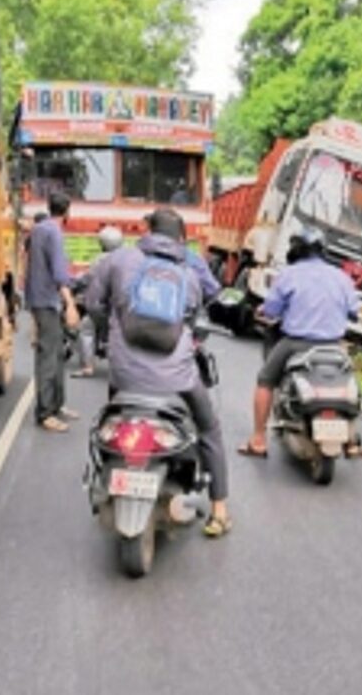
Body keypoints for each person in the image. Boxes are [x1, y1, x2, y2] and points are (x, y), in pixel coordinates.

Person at [87, 208, 233, 538]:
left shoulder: (118, 260)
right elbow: (196, 316)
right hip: (177, 379)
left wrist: (110, 333)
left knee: (111, 416)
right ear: (181, 238)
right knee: (208, 427)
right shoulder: (191, 273)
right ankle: (220, 510)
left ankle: (103, 479)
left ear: (147, 230)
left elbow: (94, 305)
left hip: (123, 374)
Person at [238, 227, 361, 459]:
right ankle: (353, 441)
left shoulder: (289, 274)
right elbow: (354, 312)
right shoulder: (341, 277)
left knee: (265, 380)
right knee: (348, 377)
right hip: (333, 345)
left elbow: (272, 309)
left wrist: (263, 310)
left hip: (296, 343)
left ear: (295, 250)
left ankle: (258, 439)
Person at [24, 191, 80, 431]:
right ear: (67, 211)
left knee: (57, 354)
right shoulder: (54, 233)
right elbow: (59, 273)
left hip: (39, 299)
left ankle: (57, 405)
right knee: (50, 357)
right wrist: (70, 304)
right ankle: (46, 412)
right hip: (49, 300)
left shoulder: (38, 229)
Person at [70, 225, 125, 378]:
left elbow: (87, 279)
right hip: (122, 307)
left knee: (86, 328)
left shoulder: (99, 261)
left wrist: (72, 285)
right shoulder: (126, 260)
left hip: (101, 307)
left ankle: (87, 366)